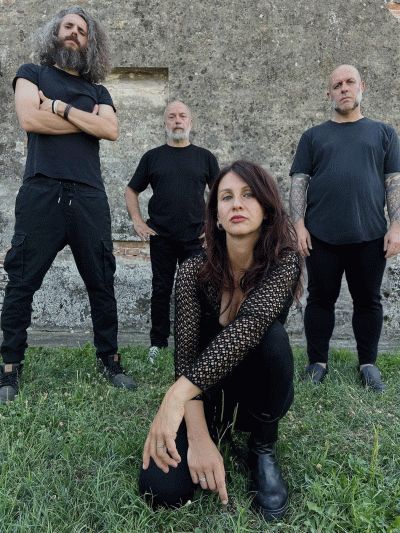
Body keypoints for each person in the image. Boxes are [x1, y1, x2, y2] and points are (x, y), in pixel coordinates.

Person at [138, 161, 301, 522]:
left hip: (260, 395)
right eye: (226, 197)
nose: (237, 204)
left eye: (248, 195)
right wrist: (198, 436)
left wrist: (173, 396)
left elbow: (248, 329)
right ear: (215, 216)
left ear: (266, 208)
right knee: (162, 489)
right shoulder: (193, 271)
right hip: (208, 397)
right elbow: (185, 358)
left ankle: (262, 446)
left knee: (271, 335)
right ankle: (212, 430)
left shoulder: (284, 262)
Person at [0, 6, 136, 404]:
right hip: (41, 192)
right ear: (54, 34)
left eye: (82, 30)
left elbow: (110, 129)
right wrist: (84, 122)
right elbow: (30, 119)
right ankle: (9, 367)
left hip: (90, 196)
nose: (74, 33)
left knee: (102, 282)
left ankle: (110, 360)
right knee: (22, 280)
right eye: (68, 27)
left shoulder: (99, 92)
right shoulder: (31, 73)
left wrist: (58, 108)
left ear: (90, 43)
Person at [290, 64, 400, 392]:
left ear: (361, 87)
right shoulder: (313, 136)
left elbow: (394, 182)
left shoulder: (384, 133)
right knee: (319, 299)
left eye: (350, 82)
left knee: (368, 301)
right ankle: (317, 363)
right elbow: (299, 182)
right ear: (329, 94)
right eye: (337, 85)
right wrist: (298, 225)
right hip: (320, 235)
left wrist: (396, 226)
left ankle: (368, 365)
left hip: (370, 234)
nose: (344, 88)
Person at [126, 101, 219, 361]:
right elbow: (132, 190)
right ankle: (158, 343)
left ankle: (198, 342)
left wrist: (213, 228)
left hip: (195, 238)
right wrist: (137, 221)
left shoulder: (205, 157)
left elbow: (220, 193)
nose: (177, 121)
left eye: (182, 116)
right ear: (164, 123)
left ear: (190, 123)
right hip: (161, 237)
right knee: (161, 290)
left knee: (198, 291)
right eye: (171, 116)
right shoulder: (152, 157)